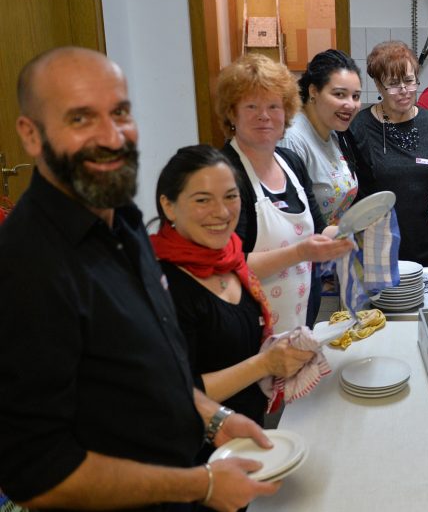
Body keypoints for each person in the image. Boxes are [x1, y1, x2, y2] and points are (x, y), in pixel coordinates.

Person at [0, 46, 279, 510]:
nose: (112, 136)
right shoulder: (26, 267)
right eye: (81, 119)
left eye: (121, 112)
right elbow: (40, 474)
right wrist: (202, 485)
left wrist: (213, 418)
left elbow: (153, 369)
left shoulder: (123, 219)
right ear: (31, 135)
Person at [150, 145, 315, 447]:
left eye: (230, 196)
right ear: (169, 206)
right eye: (202, 200)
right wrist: (265, 364)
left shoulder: (231, 258)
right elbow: (174, 389)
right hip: (196, 454)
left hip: (246, 435)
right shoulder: (163, 285)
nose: (223, 212)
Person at [216, 53, 354, 335]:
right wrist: (301, 252)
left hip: (302, 314)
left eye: (274, 106)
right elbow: (227, 266)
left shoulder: (290, 162)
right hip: (249, 326)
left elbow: (317, 229)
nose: (264, 115)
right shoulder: (222, 174)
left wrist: (354, 234)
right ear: (232, 112)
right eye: (251, 105)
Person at [349, 40, 428, 266]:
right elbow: (356, 193)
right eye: (394, 84)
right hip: (381, 252)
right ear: (378, 85)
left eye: (409, 81)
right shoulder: (360, 127)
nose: (404, 91)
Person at [281, 49, 362, 227]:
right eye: (339, 94)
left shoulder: (334, 131)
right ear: (313, 91)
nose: (350, 104)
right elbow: (288, 216)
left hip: (330, 247)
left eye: (355, 96)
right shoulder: (292, 139)